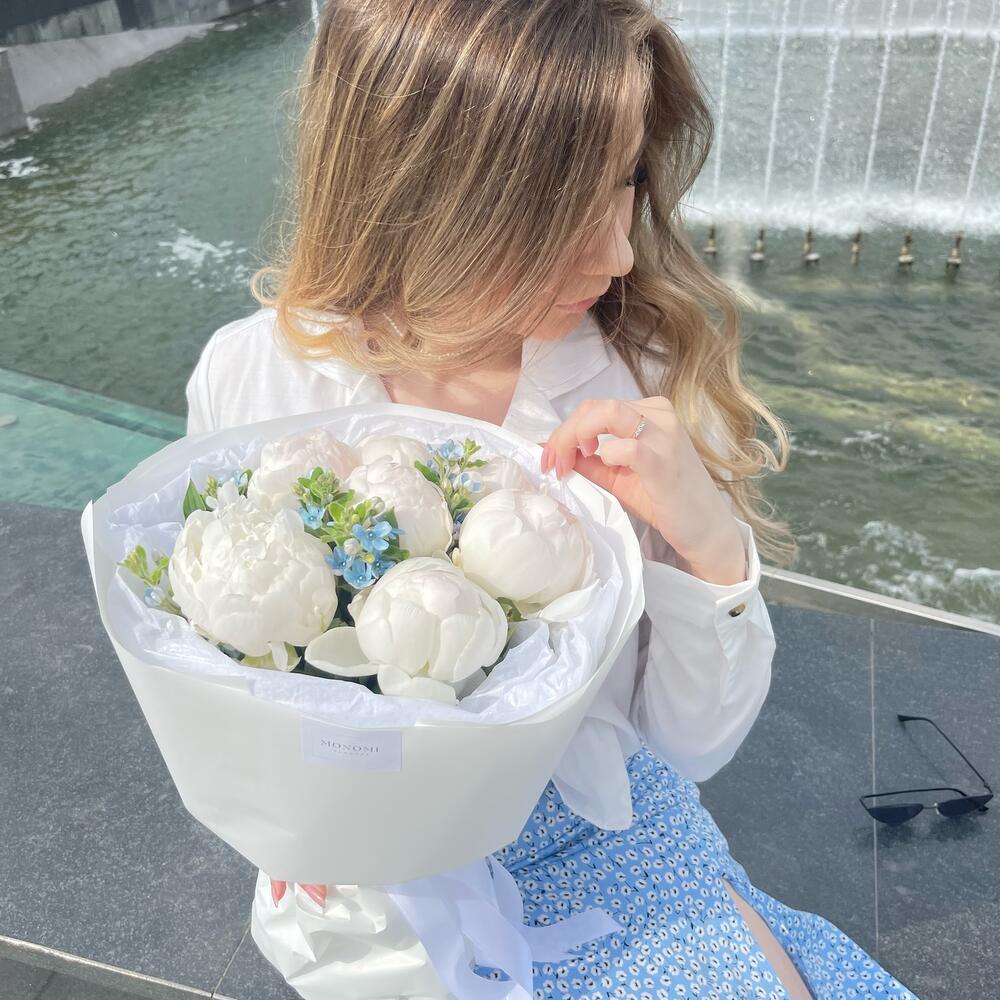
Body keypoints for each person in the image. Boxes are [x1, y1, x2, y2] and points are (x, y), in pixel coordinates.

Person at [184, 1, 921, 996]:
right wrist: (288, 812)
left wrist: (706, 540)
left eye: (626, 183)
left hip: (593, 817)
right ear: (415, 187)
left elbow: (688, 745)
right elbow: (213, 657)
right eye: (561, 207)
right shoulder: (252, 380)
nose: (619, 253)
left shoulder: (634, 382)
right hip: (360, 867)